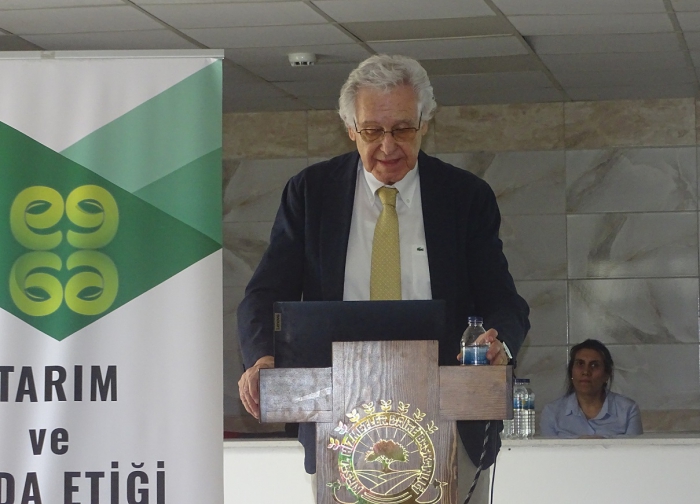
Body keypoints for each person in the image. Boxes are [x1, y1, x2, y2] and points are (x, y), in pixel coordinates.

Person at [237, 54, 530, 486]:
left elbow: (503, 300)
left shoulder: (465, 197)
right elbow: (264, 293)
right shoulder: (312, 193)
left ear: (425, 124)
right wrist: (262, 356)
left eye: (403, 129)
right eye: (372, 131)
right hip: (337, 425)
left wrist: (497, 343)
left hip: (450, 427)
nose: (388, 146)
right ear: (350, 128)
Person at [540, 339, 643, 438]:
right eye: (580, 364)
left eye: (594, 365)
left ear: (606, 374)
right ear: (571, 372)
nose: (586, 372)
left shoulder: (628, 410)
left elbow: (636, 450)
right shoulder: (552, 412)